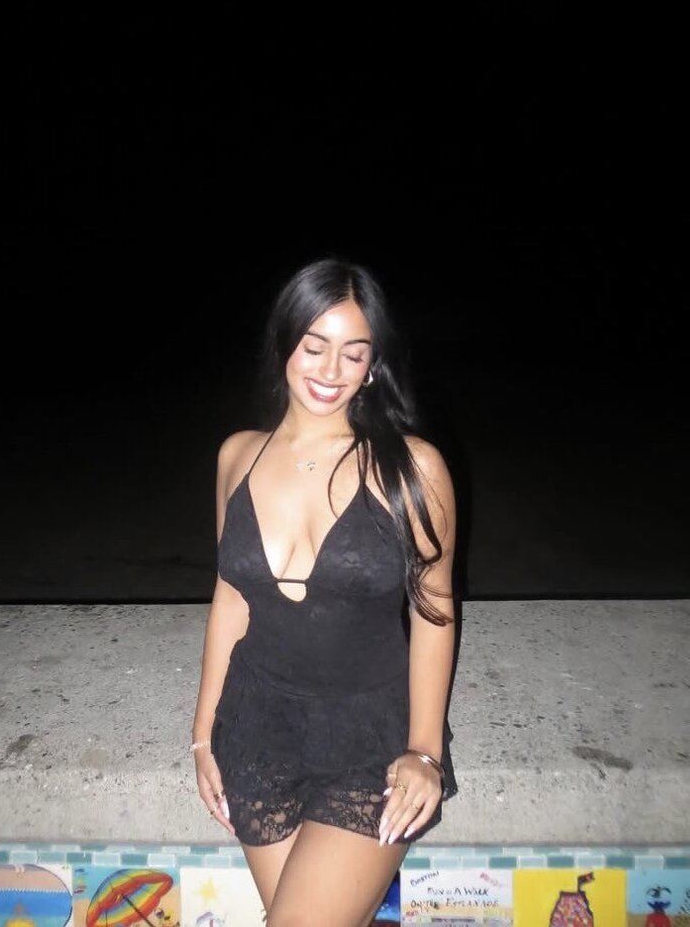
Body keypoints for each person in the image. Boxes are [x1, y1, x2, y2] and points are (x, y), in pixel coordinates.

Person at [191, 257, 457, 926]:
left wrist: (424, 750)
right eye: (314, 346)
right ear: (285, 342)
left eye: (353, 353)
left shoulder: (413, 468)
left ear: (372, 366)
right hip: (255, 730)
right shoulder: (236, 456)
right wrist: (201, 737)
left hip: (369, 741)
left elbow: (434, 610)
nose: (330, 370)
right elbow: (231, 599)